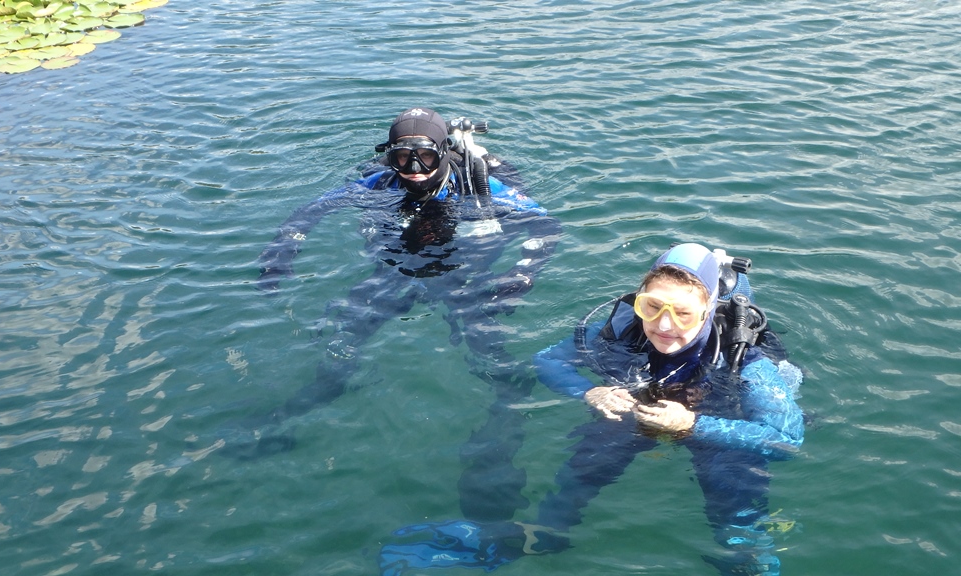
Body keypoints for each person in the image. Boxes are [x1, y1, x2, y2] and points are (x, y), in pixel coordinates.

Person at [378, 243, 804, 576]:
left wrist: (694, 424)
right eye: (652, 306)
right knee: (583, 468)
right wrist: (589, 392)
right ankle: (546, 534)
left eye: (683, 314)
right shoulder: (623, 327)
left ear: (708, 312)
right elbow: (548, 360)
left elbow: (786, 440)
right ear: (639, 299)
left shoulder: (745, 360)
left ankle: (750, 558)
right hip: (641, 406)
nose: (664, 325)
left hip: (720, 413)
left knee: (734, 501)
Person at [252, 107, 562, 522]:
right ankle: (310, 400)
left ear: (444, 152)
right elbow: (310, 211)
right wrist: (280, 255)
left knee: (491, 353)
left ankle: (504, 426)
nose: (415, 170)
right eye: (403, 157)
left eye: (426, 157)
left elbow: (545, 225)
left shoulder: (477, 184)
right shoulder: (379, 183)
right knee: (347, 332)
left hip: (463, 275)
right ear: (390, 156)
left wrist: (521, 275)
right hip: (395, 269)